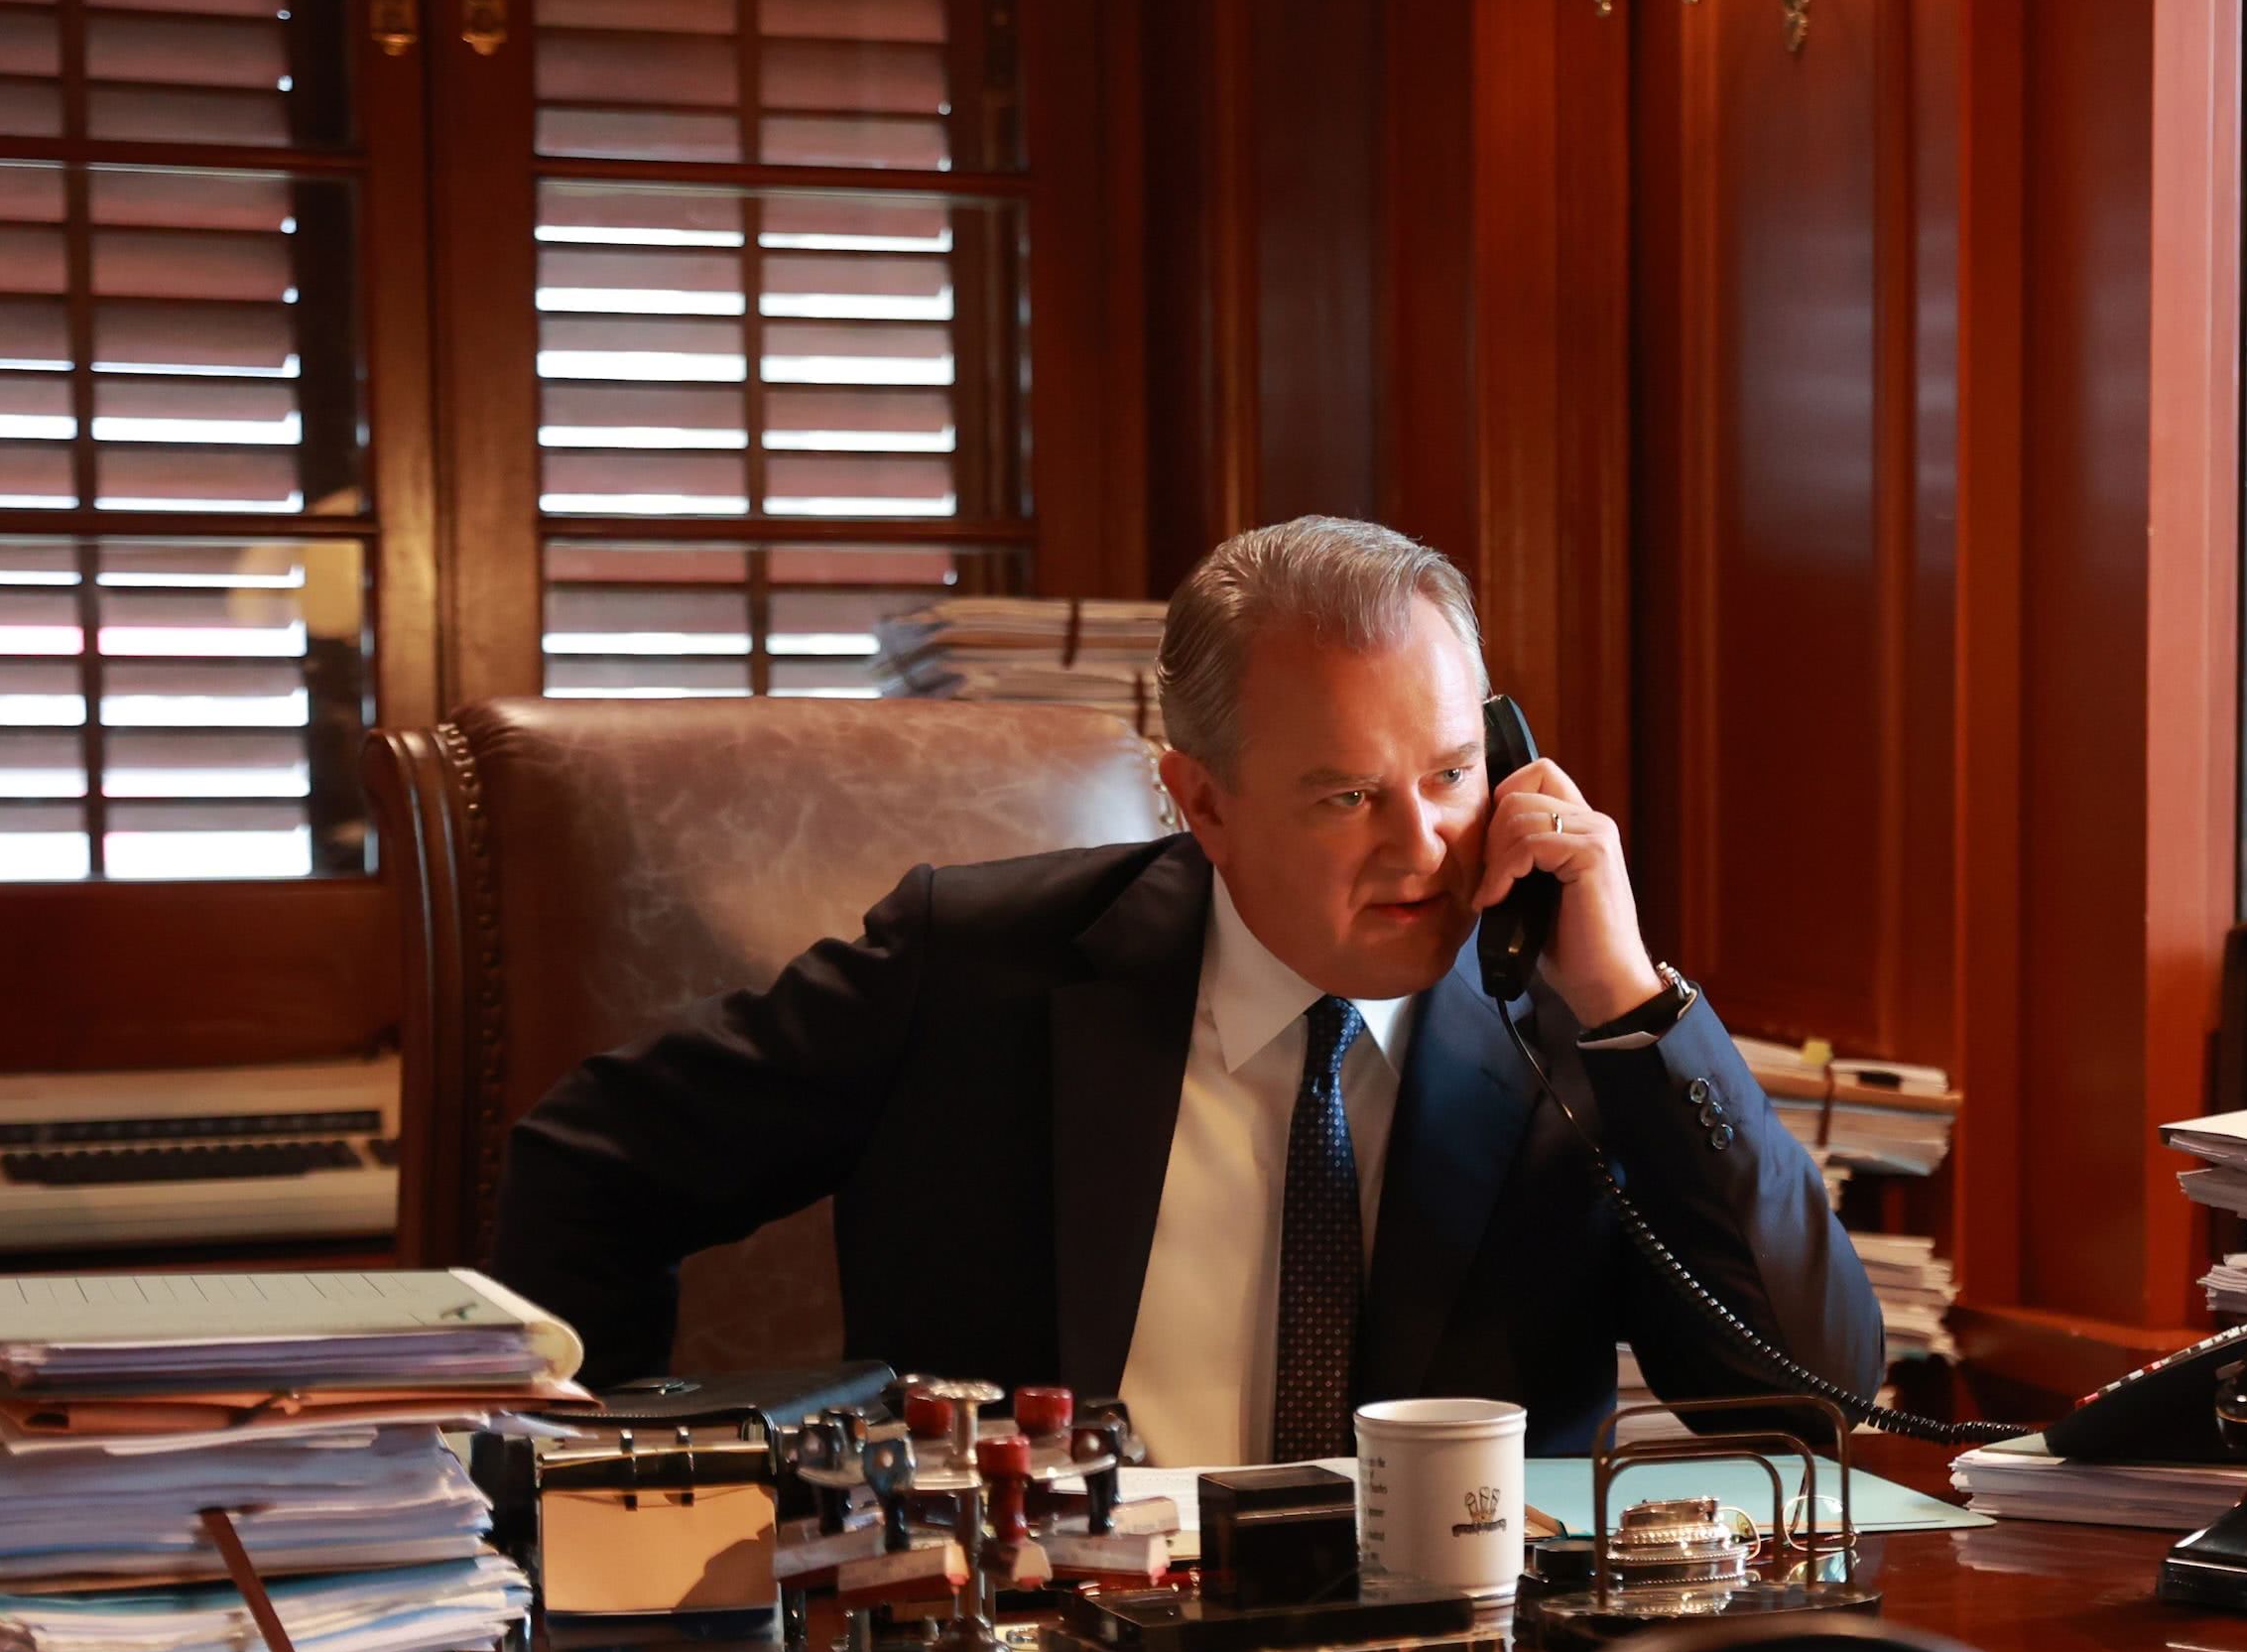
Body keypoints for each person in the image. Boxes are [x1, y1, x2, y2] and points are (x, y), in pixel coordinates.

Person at [489, 515, 1882, 1462]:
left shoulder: (1578, 1023)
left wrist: (1635, 1008)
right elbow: (591, 1167)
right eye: (1347, 796)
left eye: (1453, 773)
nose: (1422, 847)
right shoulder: (971, 974)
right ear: (1201, 803)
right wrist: (609, 1499)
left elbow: (1814, 1399)